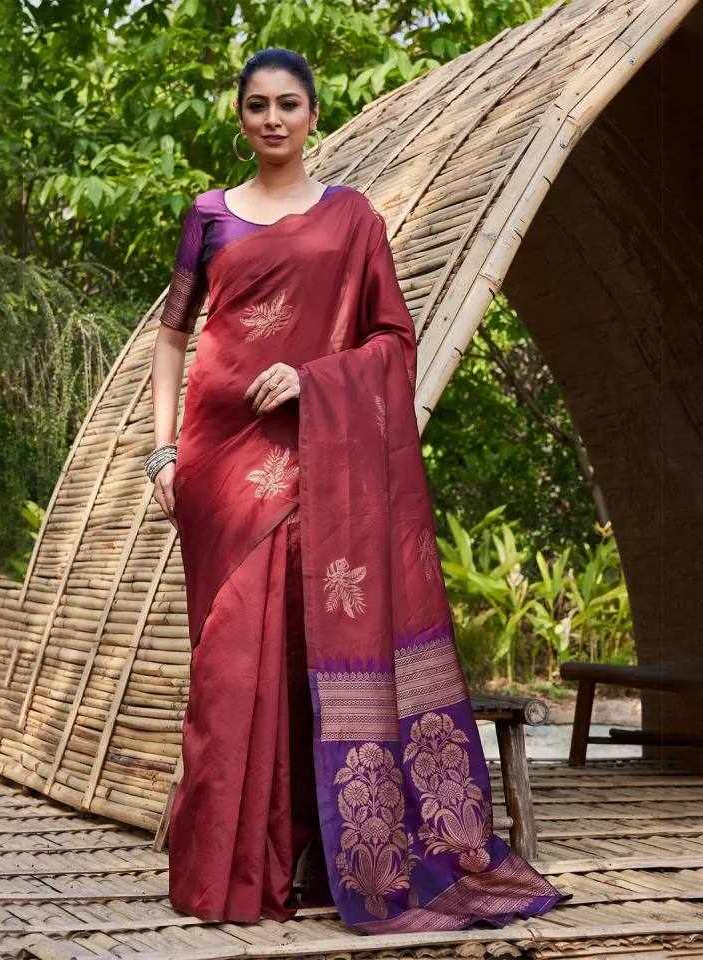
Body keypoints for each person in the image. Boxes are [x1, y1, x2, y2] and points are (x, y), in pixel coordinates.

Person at [147, 46, 572, 933]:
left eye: (288, 104)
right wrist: (161, 455)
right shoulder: (208, 217)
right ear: (240, 116)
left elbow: (391, 342)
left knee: (300, 657)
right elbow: (173, 335)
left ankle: (310, 863)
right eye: (257, 105)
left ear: (313, 115)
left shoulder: (352, 220)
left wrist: (314, 379)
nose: (272, 118)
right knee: (227, 667)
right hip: (218, 470)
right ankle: (226, 870)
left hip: (311, 464)